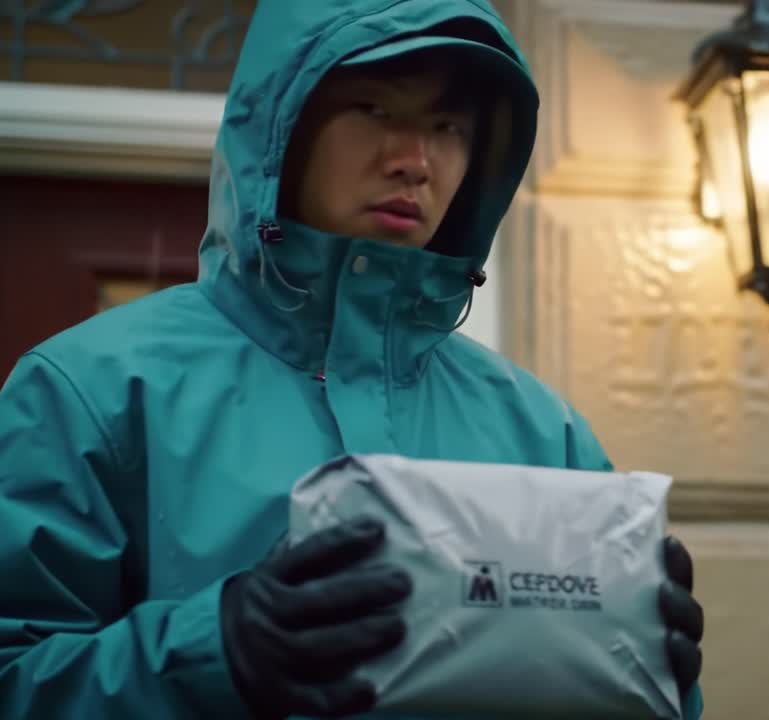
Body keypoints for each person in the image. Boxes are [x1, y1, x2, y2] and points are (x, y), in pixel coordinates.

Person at [0, 1, 705, 718]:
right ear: (285, 128)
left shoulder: (542, 433)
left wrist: (658, 676)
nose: (415, 161)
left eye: (448, 127)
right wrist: (212, 650)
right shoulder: (91, 389)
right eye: (372, 108)